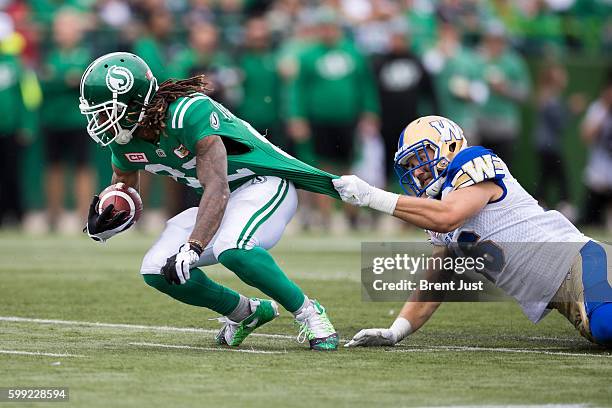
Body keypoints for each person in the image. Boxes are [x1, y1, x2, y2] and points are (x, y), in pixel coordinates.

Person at [79, 52, 339, 351]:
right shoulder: (124, 140)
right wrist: (110, 214)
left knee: (234, 249)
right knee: (155, 270)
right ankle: (245, 313)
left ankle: (308, 312)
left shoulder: (186, 113)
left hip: (260, 184)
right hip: (221, 200)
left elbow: (216, 185)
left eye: (104, 110)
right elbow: (124, 183)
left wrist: (193, 246)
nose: (98, 120)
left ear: (134, 102)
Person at [333, 115, 612, 348]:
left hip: (583, 262)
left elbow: (448, 217)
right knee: (602, 333)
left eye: (420, 156)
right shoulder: (440, 206)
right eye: (408, 165)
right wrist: (396, 331)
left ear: (448, 144)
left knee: (606, 325)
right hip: (567, 296)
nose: (416, 171)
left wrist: (371, 196)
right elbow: (435, 283)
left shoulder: (472, 160)